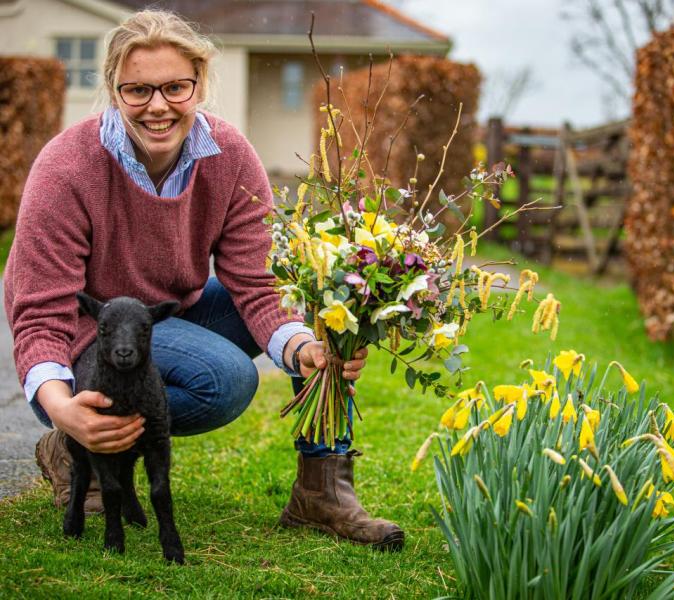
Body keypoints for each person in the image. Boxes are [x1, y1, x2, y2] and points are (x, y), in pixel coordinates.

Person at [4, 9, 403, 551]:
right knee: (226, 380)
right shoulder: (68, 167)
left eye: (175, 87)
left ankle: (321, 491)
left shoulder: (228, 155)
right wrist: (61, 407)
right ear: (113, 89)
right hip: (90, 338)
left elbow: (261, 284)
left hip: (172, 310)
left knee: (315, 311)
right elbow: (39, 313)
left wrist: (304, 347)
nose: (158, 106)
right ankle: (79, 445)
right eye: (138, 90)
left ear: (200, 84)